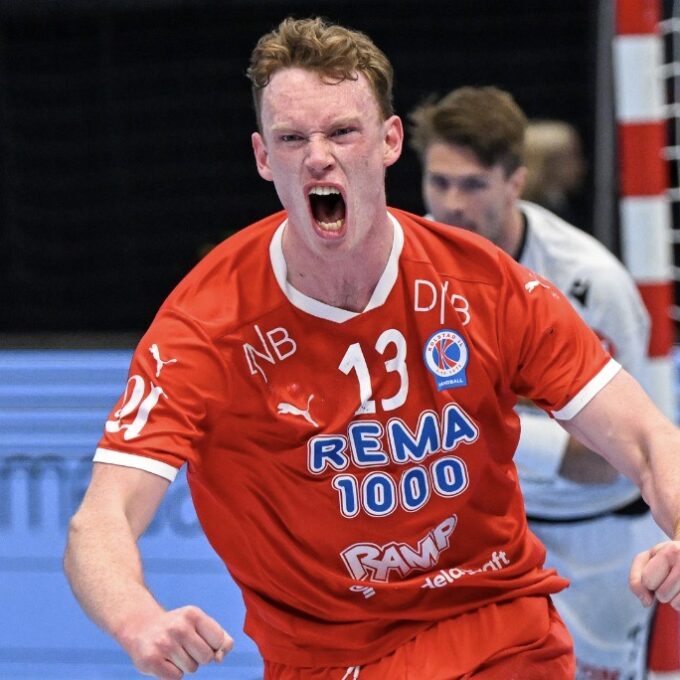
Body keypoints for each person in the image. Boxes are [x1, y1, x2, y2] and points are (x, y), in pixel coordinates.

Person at [63, 18, 680, 680]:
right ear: (263, 157)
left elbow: (648, 438)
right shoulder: (207, 324)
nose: (317, 157)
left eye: (341, 132)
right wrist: (138, 620)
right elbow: (99, 520)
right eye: (292, 138)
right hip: (324, 658)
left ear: (389, 141)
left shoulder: (487, 287)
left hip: (492, 625)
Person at [408, 85, 665, 679]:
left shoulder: (590, 285)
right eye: (439, 182)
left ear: (515, 182)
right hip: (480, 534)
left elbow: (622, 457)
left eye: (473, 185)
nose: (451, 204)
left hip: (597, 545)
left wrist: (481, 427)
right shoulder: (401, 266)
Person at [522, 119, 588, 227]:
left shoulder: (562, 205)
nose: (581, 165)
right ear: (549, 164)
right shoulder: (533, 216)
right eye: (573, 156)